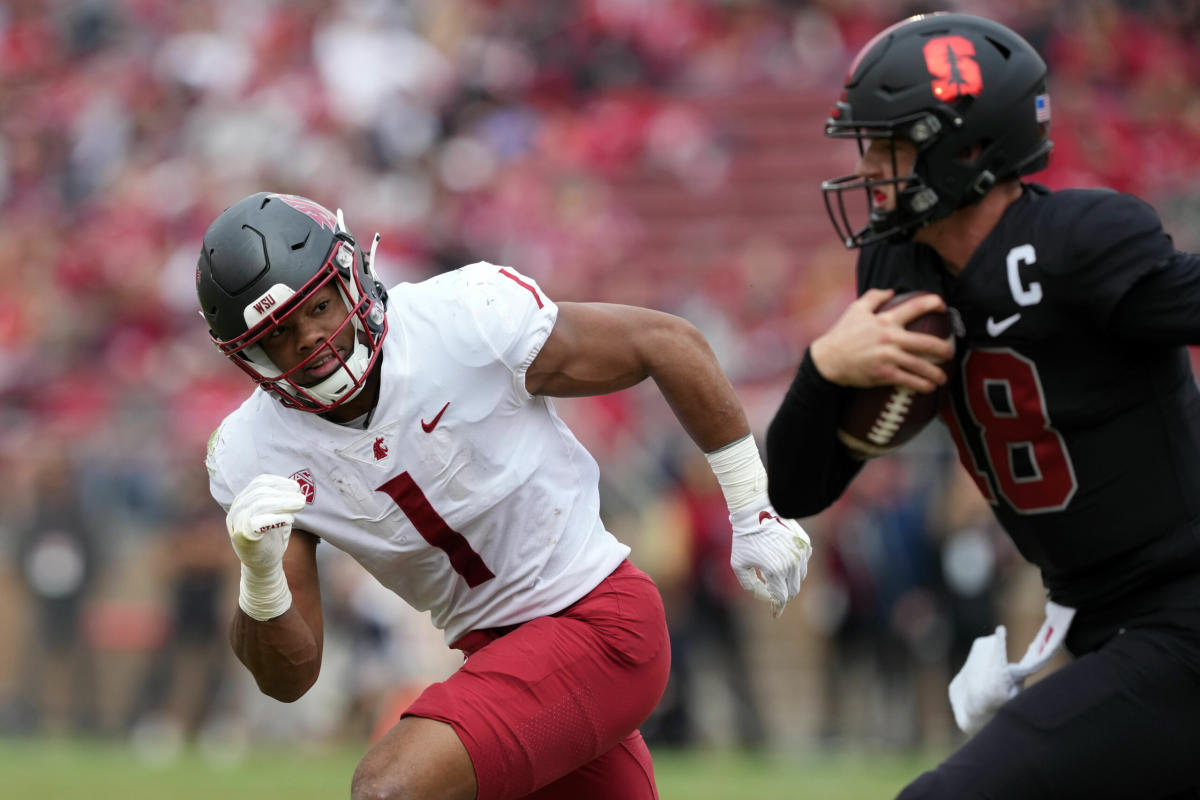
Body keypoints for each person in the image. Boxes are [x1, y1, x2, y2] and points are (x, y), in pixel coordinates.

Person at [196, 191, 811, 800]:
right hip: (500, 658)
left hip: (596, 621)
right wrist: (260, 580)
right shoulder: (255, 452)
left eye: (321, 306)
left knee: (391, 790)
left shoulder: (462, 316)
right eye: (281, 334)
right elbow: (289, 679)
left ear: (352, 277)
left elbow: (667, 343)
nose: (311, 338)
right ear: (249, 357)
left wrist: (752, 507)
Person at [766, 11, 1200, 800]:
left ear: (965, 149)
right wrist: (822, 370)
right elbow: (794, 491)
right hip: (1098, 623)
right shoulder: (898, 270)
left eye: (890, 145)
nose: (868, 168)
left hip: (1180, 614)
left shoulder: (1078, 242)